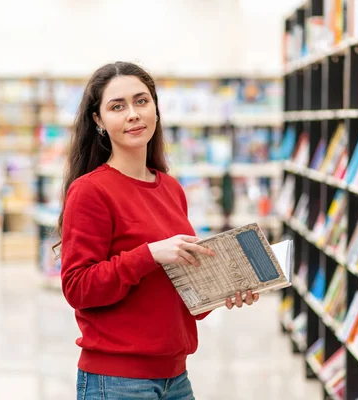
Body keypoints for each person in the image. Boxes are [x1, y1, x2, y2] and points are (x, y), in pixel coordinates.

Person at [55, 61, 260, 400]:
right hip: (117, 381)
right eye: (117, 106)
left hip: (176, 378)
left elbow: (177, 290)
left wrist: (225, 288)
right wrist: (149, 254)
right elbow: (78, 287)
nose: (133, 114)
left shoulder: (170, 188)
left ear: (155, 109)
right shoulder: (91, 190)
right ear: (98, 121)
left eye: (141, 101)